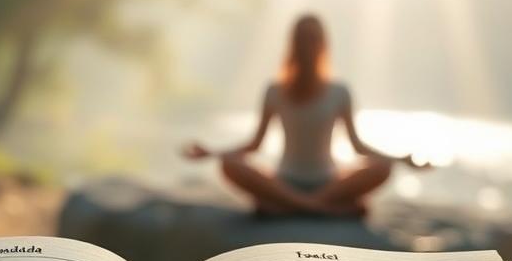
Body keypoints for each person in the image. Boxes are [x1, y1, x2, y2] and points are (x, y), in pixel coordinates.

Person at [181, 14, 429, 216]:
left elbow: (358, 147)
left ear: (322, 45)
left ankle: (290, 207)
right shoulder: (274, 91)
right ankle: (319, 209)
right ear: (293, 45)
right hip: (284, 180)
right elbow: (254, 144)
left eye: (313, 39)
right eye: (303, 39)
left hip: (328, 182)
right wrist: (212, 153)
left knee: (382, 167)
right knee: (230, 164)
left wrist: (401, 159)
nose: (308, 45)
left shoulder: (339, 92)